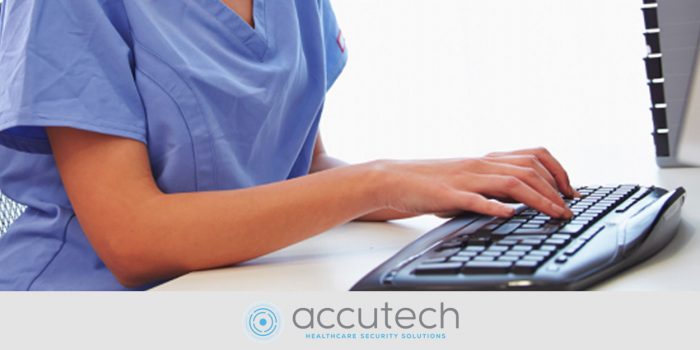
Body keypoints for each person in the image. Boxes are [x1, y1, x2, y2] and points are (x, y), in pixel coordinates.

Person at [0, 0, 576, 291]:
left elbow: (305, 163)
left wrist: (432, 187)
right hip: (84, 307)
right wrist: (381, 179)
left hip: (235, 290)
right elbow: (131, 239)